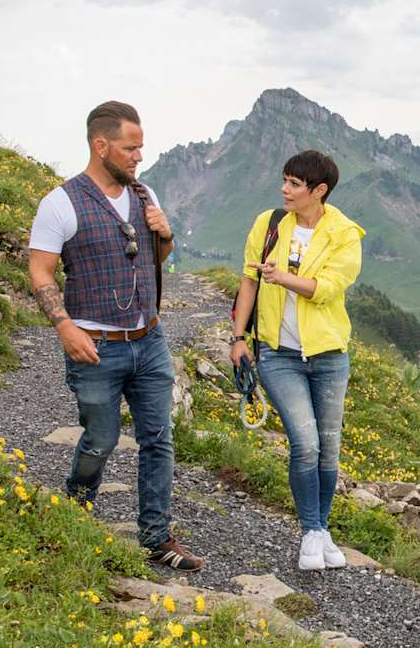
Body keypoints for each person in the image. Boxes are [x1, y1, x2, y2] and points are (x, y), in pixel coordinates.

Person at [28, 100, 203, 571]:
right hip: (95, 347)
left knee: (158, 438)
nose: (138, 157)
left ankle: (157, 536)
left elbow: (151, 264)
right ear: (100, 145)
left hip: (149, 340)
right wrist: (64, 326)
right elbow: (40, 271)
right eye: (130, 148)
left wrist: (164, 237)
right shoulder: (60, 202)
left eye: (141, 147)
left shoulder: (145, 195)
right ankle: (76, 508)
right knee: (100, 440)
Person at [229, 150, 365, 571]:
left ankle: (322, 530)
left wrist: (283, 277)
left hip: (328, 355)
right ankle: (310, 531)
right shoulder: (268, 225)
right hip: (277, 353)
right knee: (304, 444)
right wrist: (238, 338)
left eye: (294, 184)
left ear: (318, 191)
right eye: (284, 181)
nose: (284, 190)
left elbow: (328, 287)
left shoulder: (345, 234)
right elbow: (248, 281)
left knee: (329, 449)